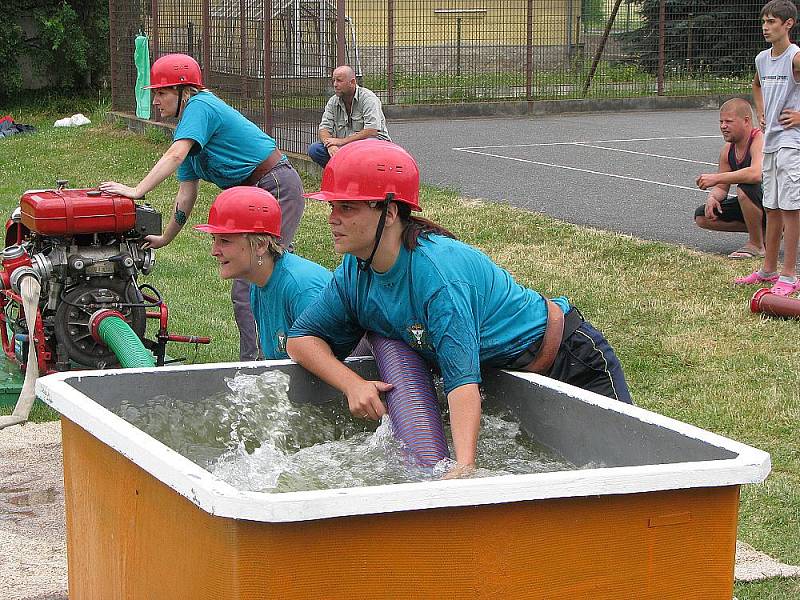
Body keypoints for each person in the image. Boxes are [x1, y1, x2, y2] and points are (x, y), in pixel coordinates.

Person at [286, 140, 631, 476]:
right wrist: (351, 383)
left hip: (570, 360)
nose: (332, 218)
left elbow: (461, 383)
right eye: (332, 206)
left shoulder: (437, 276)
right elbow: (300, 340)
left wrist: (463, 467)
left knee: (626, 471)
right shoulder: (354, 272)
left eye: (347, 207)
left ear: (389, 212)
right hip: (507, 372)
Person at [98, 53, 305, 359]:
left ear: (185, 91)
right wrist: (165, 238)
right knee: (257, 281)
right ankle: (279, 353)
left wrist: (136, 190)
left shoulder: (200, 107)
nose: (156, 101)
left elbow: (174, 156)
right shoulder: (190, 130)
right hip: (255, 195)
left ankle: (260, 364)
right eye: (154, 93)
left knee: (254, 280)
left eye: (162, 92)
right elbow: (186, 195)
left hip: (274, 187)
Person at [195, 187, 331, 360]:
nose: (214, 251)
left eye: (225, 241)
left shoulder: (301, 289)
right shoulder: (258, 284)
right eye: (214, 239)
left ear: (260, 245)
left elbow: (333, 369)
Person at [736, 0, 800, 295]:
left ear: (788, 24)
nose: (765, 26)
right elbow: (757, 85)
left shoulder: (795, 58)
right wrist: (760, 111)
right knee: (772, 207)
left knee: (790, 208)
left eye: (772, 21)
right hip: (772, 142)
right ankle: (768, 270)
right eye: (764, 21)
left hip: (792, 143)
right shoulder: (763, 59)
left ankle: (788, 275)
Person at [694, 99, 765, 259]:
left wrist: (716, 177)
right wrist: (713, 197)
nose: (723, 126)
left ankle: (757, 245)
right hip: (758, 203)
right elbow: (721, 187)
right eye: (721, 122)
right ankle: (767, 233)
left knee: (745, 189)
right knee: (702, 216)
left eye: (728, 122)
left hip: (779, 205)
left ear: (746, 121)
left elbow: (756, 174)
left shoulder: (759, 139)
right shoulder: (728, 150)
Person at [307, 65, 391, 168]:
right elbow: (324, 128)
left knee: (368, 144)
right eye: (333, 80)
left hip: (372, 145)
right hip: (346, 147)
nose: (335, 85)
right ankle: (341, 173)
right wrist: (331, 145)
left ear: (352, 82)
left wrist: (342, 141)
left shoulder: (368, 99)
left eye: (339, 81)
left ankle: (354, 173)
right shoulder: (333, 101)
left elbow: (371, 131)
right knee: (315, 149)